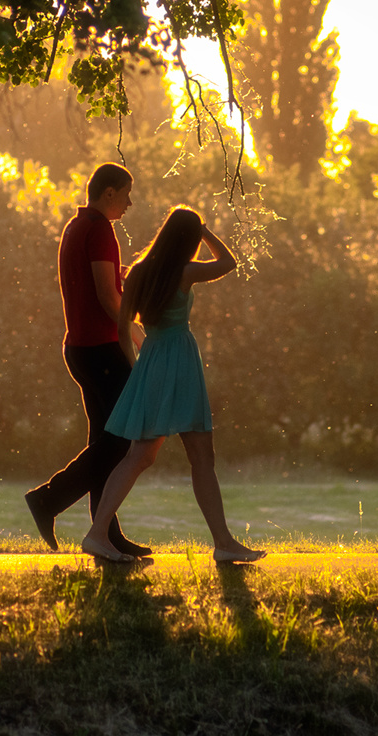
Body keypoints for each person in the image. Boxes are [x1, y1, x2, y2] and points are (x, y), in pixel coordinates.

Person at [81, 207, 266, 564]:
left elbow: (123, 329)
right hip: (180, 361)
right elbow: (228, 262)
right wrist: (206, 231)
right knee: (201, 456)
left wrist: (137, 369)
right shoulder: (184, 271)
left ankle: (98, 533)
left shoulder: (138, 272)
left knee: (139, 456)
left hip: (151, 360)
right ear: (189, 239)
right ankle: (223, 543)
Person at [23, 163, 151, 557]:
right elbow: (106, 296)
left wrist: (121, 274)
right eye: (126, 194)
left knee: (105, 440)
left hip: (80, 349)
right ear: (109, 193)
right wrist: (138, 335)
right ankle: (48, 499)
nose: (129, 203)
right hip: (101, 349)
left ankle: (105, 533)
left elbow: (96, 280)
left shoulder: (76, 227)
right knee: (121, 440)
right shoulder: (99, 229)